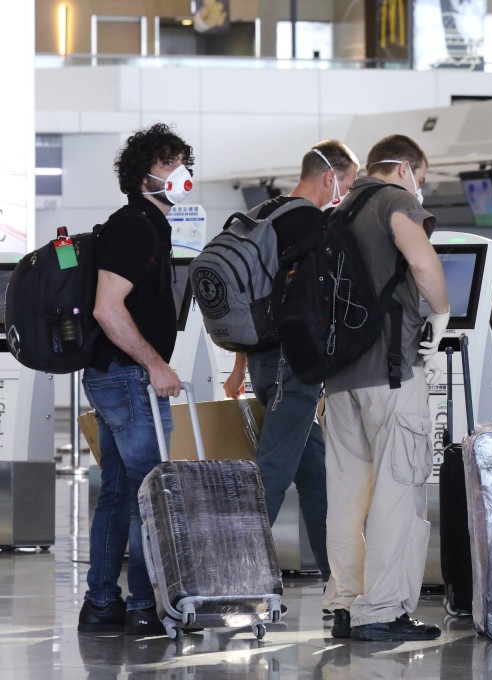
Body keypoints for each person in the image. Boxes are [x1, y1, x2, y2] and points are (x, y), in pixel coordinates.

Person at [320, 134, 449, 642]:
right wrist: (442, 314)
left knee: (348, 496)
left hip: (338, 381)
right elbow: (421, 263)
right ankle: (384, 611)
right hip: (391, 374)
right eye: (423, 175)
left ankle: (347, 604)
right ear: (405, 168)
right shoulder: (396, 202)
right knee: (400, 491)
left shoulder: (336, 212)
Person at [223, 140, 360, 582]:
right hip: (291, 364)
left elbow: (255, 297)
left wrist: (240, 367)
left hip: (265, 364)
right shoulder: (309, 223)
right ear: (329, 178)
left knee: (315, 470)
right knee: (274, 469)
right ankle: (236, 577)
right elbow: (312, 303)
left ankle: (337, 580)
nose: (346, 191)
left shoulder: (265, 214)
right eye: (349, 182)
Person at [77, 123, 194, 635]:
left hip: (117, 378)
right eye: (170, 164)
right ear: (145, 176)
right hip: (128, 380)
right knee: (152, 494)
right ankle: (146, 606)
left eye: (182, 162)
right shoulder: (135, 226)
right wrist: (156, 365)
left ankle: (103, 605)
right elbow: (107, 309)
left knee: (121, 494)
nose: (182, 173)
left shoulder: (146, 225)